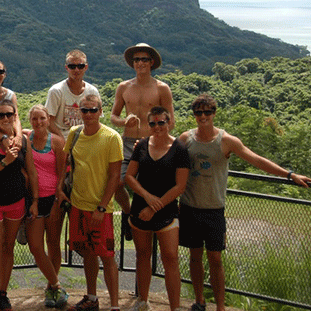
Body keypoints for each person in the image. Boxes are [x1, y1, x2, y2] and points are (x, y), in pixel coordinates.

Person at [179, 94, 311, 311]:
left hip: (214, 209)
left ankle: (220, 306)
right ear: (194, 115)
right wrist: (142, 144)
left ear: (214, 113)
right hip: (189, 206)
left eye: (207, 112)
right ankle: (199, 300)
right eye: (198, 113)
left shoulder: (227, 141)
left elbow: (256, 159)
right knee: (194, 257)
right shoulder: (186, 138)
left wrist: (289, 175)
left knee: (216, 259)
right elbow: (166, 151)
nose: (203, 117)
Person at [58, 94, 122, 311]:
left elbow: (115, 176)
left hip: (100, 209)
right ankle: (92, 298)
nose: (88, 114)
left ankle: (114, 306)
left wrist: (102, 208)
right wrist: (60, 187)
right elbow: (66, 162)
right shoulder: (75, 134)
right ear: (79, 112)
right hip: (77, 204)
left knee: (107, 256)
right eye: (84, 110)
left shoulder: (112, 137)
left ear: (100, 111)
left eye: (93, 110)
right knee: (87, 253)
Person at [124, 106, 190, 311]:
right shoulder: (141, 145)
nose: (157, 127)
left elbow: (180, 186)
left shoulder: (179, 149)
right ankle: (143, 301)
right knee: (142, 256)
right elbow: (129, 177)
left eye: (161, 122)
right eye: (152, 123)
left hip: (167, 210)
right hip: (141, 206)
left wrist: (154, 207)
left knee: (170, 258)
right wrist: (146, 196)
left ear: (169, 123)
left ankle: (175, 307)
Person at [110, 43, 174, 240]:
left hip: (150, 144)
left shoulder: (162, 88)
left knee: (148, 186)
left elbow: (170, 120)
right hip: (128, 141)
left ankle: (149, 225)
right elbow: (113, 116)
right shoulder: (124, 87)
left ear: (151, 62)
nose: (140, 63)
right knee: (117, 182)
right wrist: (123, 121)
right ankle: (128, 212)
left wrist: (156, 138)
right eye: (137, 60)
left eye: (144, 59)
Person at [0, 99, 38, 311]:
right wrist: (5, 161)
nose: (5, 118)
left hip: (16, 201)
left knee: (8, 248)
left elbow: (31, 172)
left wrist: (35, 201)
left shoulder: (23, 140)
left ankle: (3, 293)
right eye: (0, 115)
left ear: (15, 116)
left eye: (8, 115)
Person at [22, 105, 68, 308]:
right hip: (34, 198)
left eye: (42, 118)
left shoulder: (57, 142)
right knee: (35, 246)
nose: (38, 122)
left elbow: (62, 173)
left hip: (53, 198)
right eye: (34, 119)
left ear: (48, 120)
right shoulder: (25, 138)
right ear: (30, 120)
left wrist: (58, 197)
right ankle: (58, 286)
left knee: (53, 243)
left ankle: (51, 287)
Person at [45, 50, 100, 139]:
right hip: (60, 137)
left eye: (80, 66)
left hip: (85, 137)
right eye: (72, 66)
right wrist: (62, 140)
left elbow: (96, 119)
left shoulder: (92, 92)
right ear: (67, 68)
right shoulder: (56, 91)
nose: (76, 70)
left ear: (86, 67)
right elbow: (49, 121)